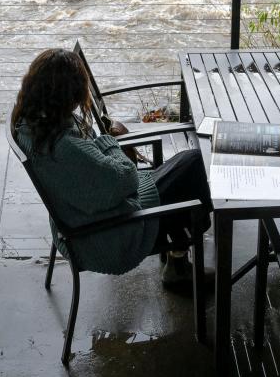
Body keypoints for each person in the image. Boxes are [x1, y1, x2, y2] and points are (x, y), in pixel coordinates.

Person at [11, 48, 212, 289]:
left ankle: (178, 258)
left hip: (83, 217)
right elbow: (126, 178)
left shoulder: (33, 125)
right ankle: (179, 267)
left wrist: (102, 144)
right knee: (194, 172)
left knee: (186, 164)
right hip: (109, 235)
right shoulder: (64, 148)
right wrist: (110, 142)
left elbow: (97, 170)